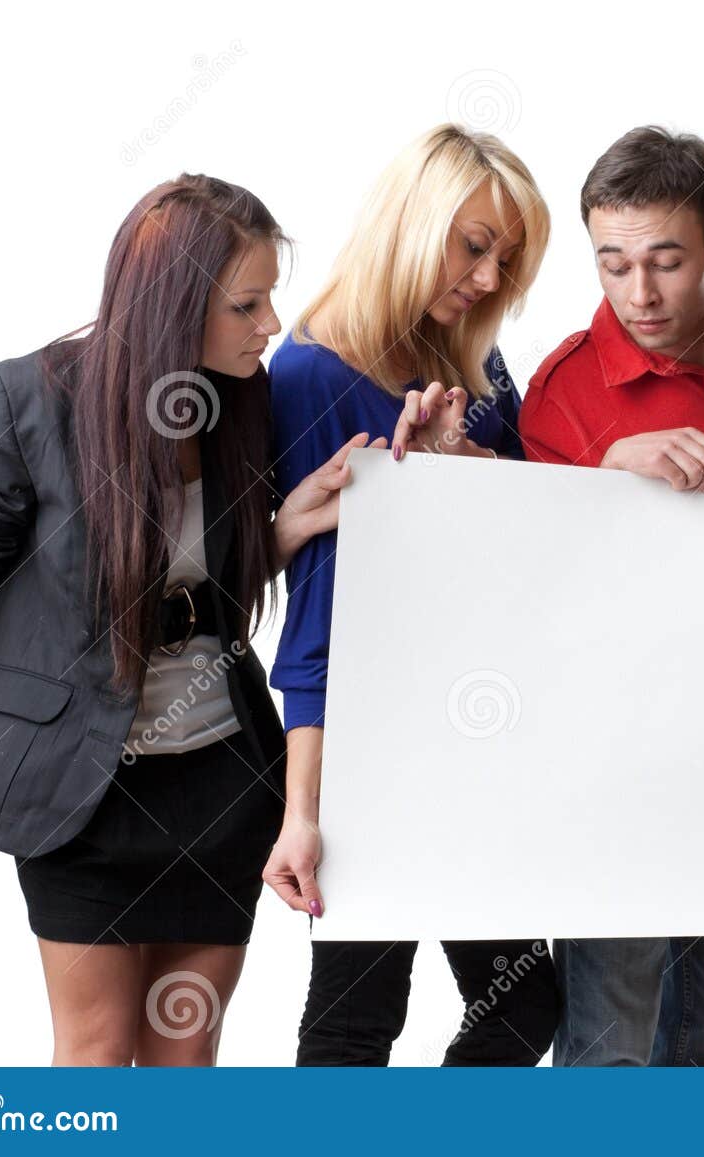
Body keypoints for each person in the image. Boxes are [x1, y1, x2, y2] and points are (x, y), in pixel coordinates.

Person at [0, 174, 368, 1065]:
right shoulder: (30, 398)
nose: (271, 325)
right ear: (174, 305)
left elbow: (208, 589)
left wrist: (293, 518)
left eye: (269, 300)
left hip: (219, 784)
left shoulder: (235, 400)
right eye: (247, 304)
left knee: (187, 1052)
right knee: (93, 1053)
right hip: (78, 796)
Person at [262, 124, 559, 1066]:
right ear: (410, 222)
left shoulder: (479, 365)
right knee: (356, 1019)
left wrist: (457, 459)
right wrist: (302, 808)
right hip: (365, 745)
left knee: (522, 1005)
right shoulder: (311, 371)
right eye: (473, 245)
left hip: (481, 725)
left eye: (505, 258)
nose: (487, 277)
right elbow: (318, 602)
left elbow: (530, 545)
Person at [519, 125, 704, 1065]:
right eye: (613, 264)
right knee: (610, 1031)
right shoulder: (561, 392)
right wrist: (601, 475)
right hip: (619, 749)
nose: (639, 295)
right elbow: (533, 594)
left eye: (667, 263)